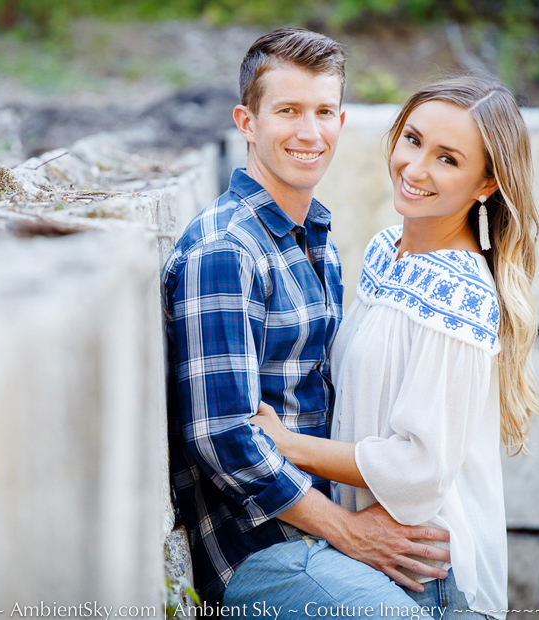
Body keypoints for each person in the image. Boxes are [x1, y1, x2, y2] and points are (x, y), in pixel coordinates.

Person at [162, 28, 450, 612]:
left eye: (324, 111)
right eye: (288, 111)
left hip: (326, 530)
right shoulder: (226, 250)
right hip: (263, 551)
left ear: (342, 123)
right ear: (246, 121)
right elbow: (223, 436)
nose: (309, 132)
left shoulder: (315, 240)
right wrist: (350, 532)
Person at [253, 77, 539, 620]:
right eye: (412, 140)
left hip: (424, 571)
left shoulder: (461, 292)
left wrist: (286, 445)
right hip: (370, 555)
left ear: (486, 185)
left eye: (448, 159)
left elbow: (420, 467)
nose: (415, 168)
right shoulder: (386, 249)